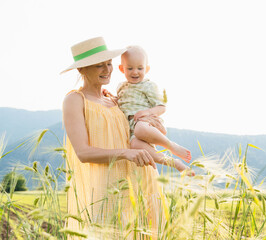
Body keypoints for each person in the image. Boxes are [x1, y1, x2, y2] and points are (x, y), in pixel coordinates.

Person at [61, 37, 166, 239]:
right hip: (105, 188)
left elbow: (135, 128)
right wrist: (127, 153)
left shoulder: (114, 98)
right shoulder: (75, 100)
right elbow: (82, 152)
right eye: (99, 65)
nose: (107, 69)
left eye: (109, 63)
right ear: (82, 70)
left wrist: (153, 122)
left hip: (137, 180)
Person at [115, 45, 194, 176]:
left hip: (147, 124)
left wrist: (146, 113)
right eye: (130, 68)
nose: (135, 72)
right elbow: (121, 102)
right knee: (135, 145)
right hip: (131, 129)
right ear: (121, 69)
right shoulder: (121, 86)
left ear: (147, 68)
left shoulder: (148, 85)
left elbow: (161, 107)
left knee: (140, 129)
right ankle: (175, 163)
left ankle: (171, 146)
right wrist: (110, 97)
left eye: (140, 68)